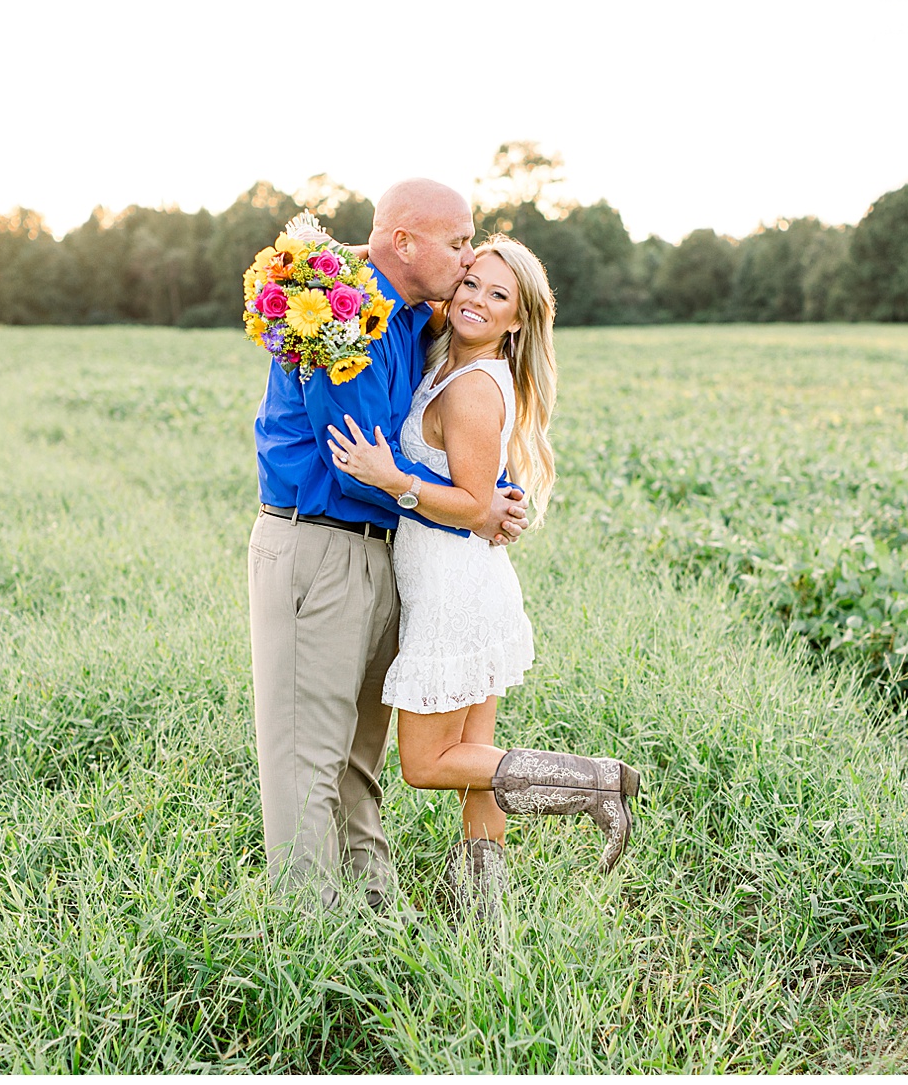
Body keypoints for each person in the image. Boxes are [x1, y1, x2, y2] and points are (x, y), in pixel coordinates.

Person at [327, 235, 641, 924]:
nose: (474, 299)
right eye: (471, 282)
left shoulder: (472, 387)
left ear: (518, 320)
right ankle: (486, 919)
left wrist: (395, 480)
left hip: (451, 590)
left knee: (427, 762)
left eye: (498, 295)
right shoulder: (452, 359)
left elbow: (472, 507)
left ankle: (593, 782)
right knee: (477, 766)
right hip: (468, 581)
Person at [248, 178, 529, 914]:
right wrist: (474, 514)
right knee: (308, 759)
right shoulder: (337, 315)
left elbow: (450, 429)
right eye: (460, 240)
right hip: (319, 544)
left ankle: (373, 915)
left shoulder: (410, 316)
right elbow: (365, 465)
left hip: (387, 554)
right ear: (405, 242)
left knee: (356, 762)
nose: (469, 258)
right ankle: (309, 937)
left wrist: (493, 491)